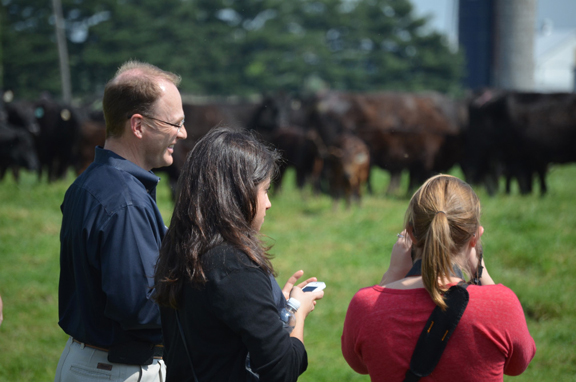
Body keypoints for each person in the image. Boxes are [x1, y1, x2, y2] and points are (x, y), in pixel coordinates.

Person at [154, 127, 324, 382]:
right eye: (265, 190)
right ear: (238, 192)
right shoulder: (234, 265)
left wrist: (272, 304)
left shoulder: (179, 249)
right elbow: (283, 369)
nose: (268, 203)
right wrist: (297, 313)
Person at [55, 60, 187, 382]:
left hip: (88, 361)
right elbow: (141, 308)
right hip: (118, 371)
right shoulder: (125, 200)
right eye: (175, 123)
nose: (183, 133)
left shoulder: (90, 181)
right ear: (138, 126)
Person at [341, 174, 536, 381]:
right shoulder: (501, 304)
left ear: (411, 234)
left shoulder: (365, 305)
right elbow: (519, 364)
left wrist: (392, 276)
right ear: (475, 237)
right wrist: (481, 272)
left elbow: (359, 363)